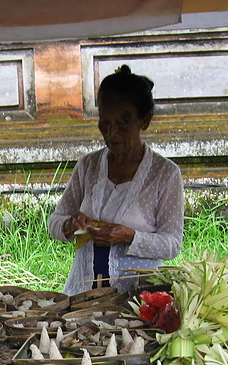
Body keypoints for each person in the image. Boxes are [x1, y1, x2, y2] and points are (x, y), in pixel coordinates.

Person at [47, 65, 184, 296]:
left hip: (137, 297)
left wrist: (129, 236)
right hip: (82, 293)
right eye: (105, 122)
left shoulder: (165, 173)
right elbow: (54, 223)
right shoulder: (88, 166)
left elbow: (172, 244)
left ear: (145, 121)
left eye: (123, 122)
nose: (112, 133)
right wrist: (71, 223)